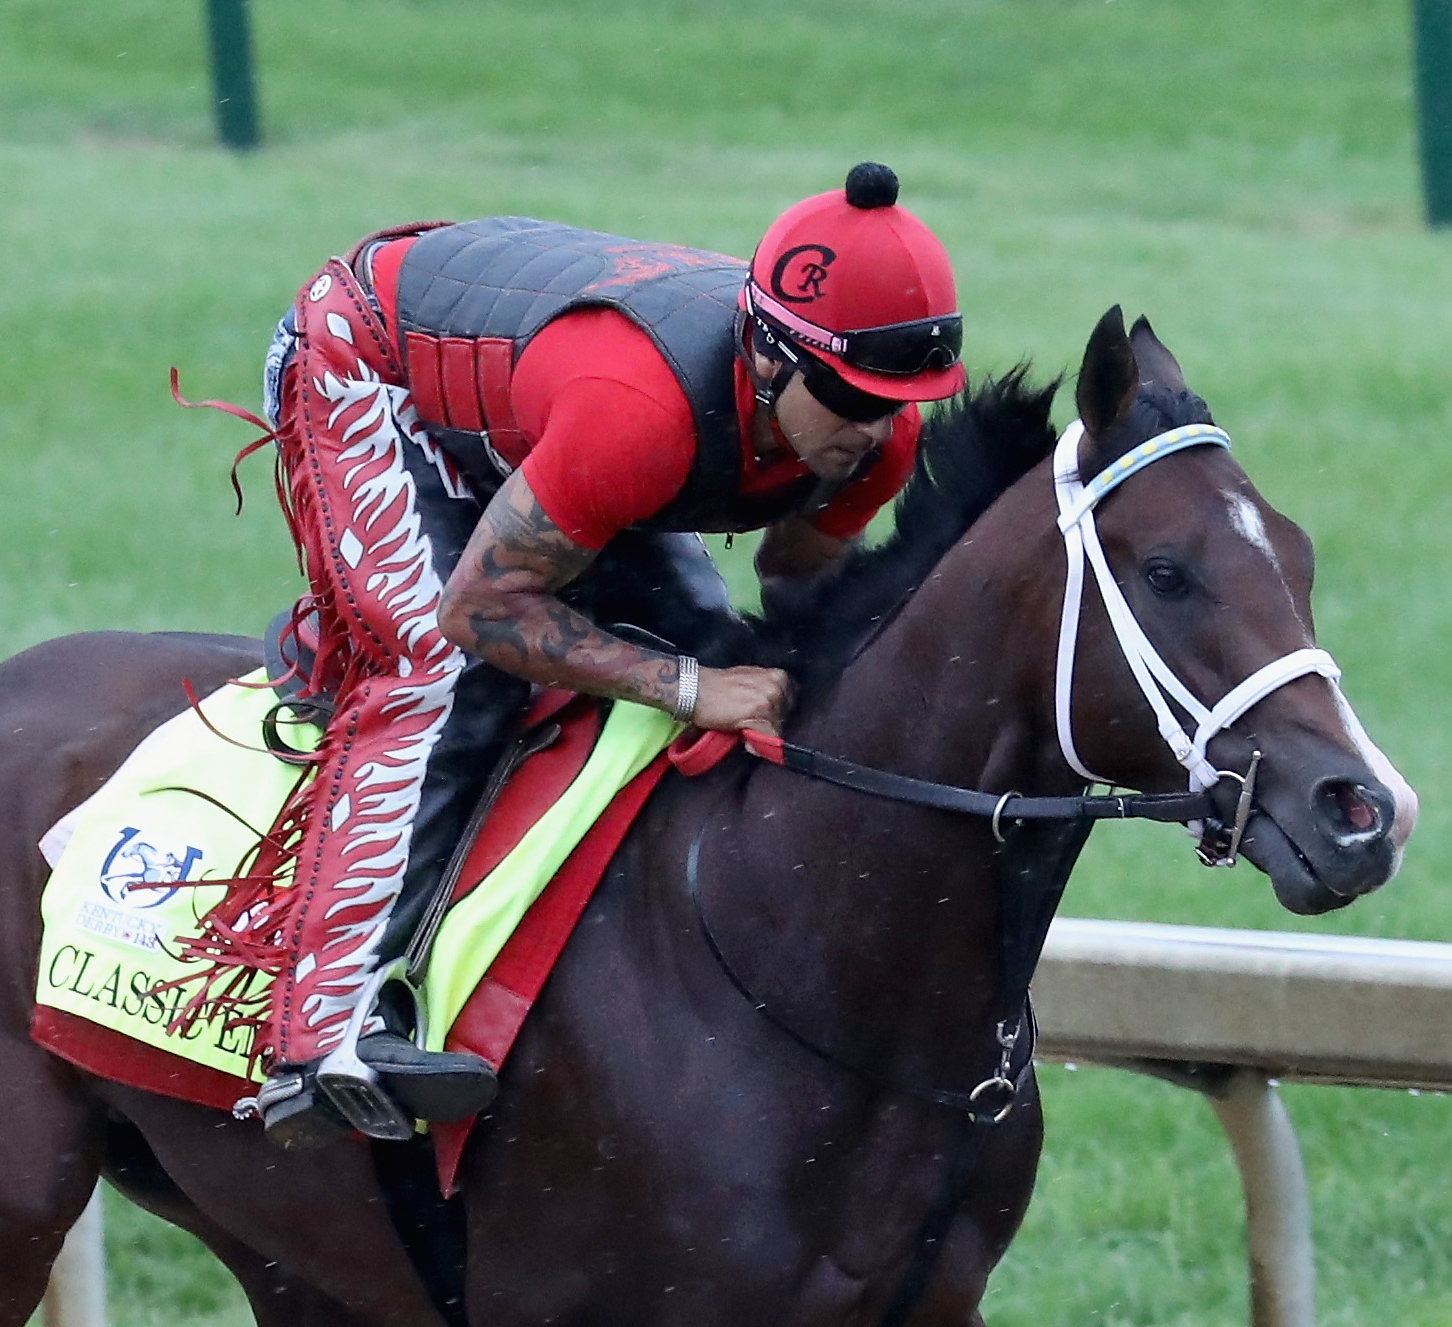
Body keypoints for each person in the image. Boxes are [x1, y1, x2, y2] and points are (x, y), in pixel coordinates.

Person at [241, 162, 968, 1148]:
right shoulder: (639, 418)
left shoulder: (872, 438)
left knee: (715, 646)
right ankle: (324, 1030)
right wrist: (685, 685)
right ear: (764, 357)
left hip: (553, 417)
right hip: (372, 362)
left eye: (901, 398)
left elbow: (798, 595)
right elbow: (482, 611)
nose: (875, 427)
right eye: (847, 394)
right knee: (448, 676)